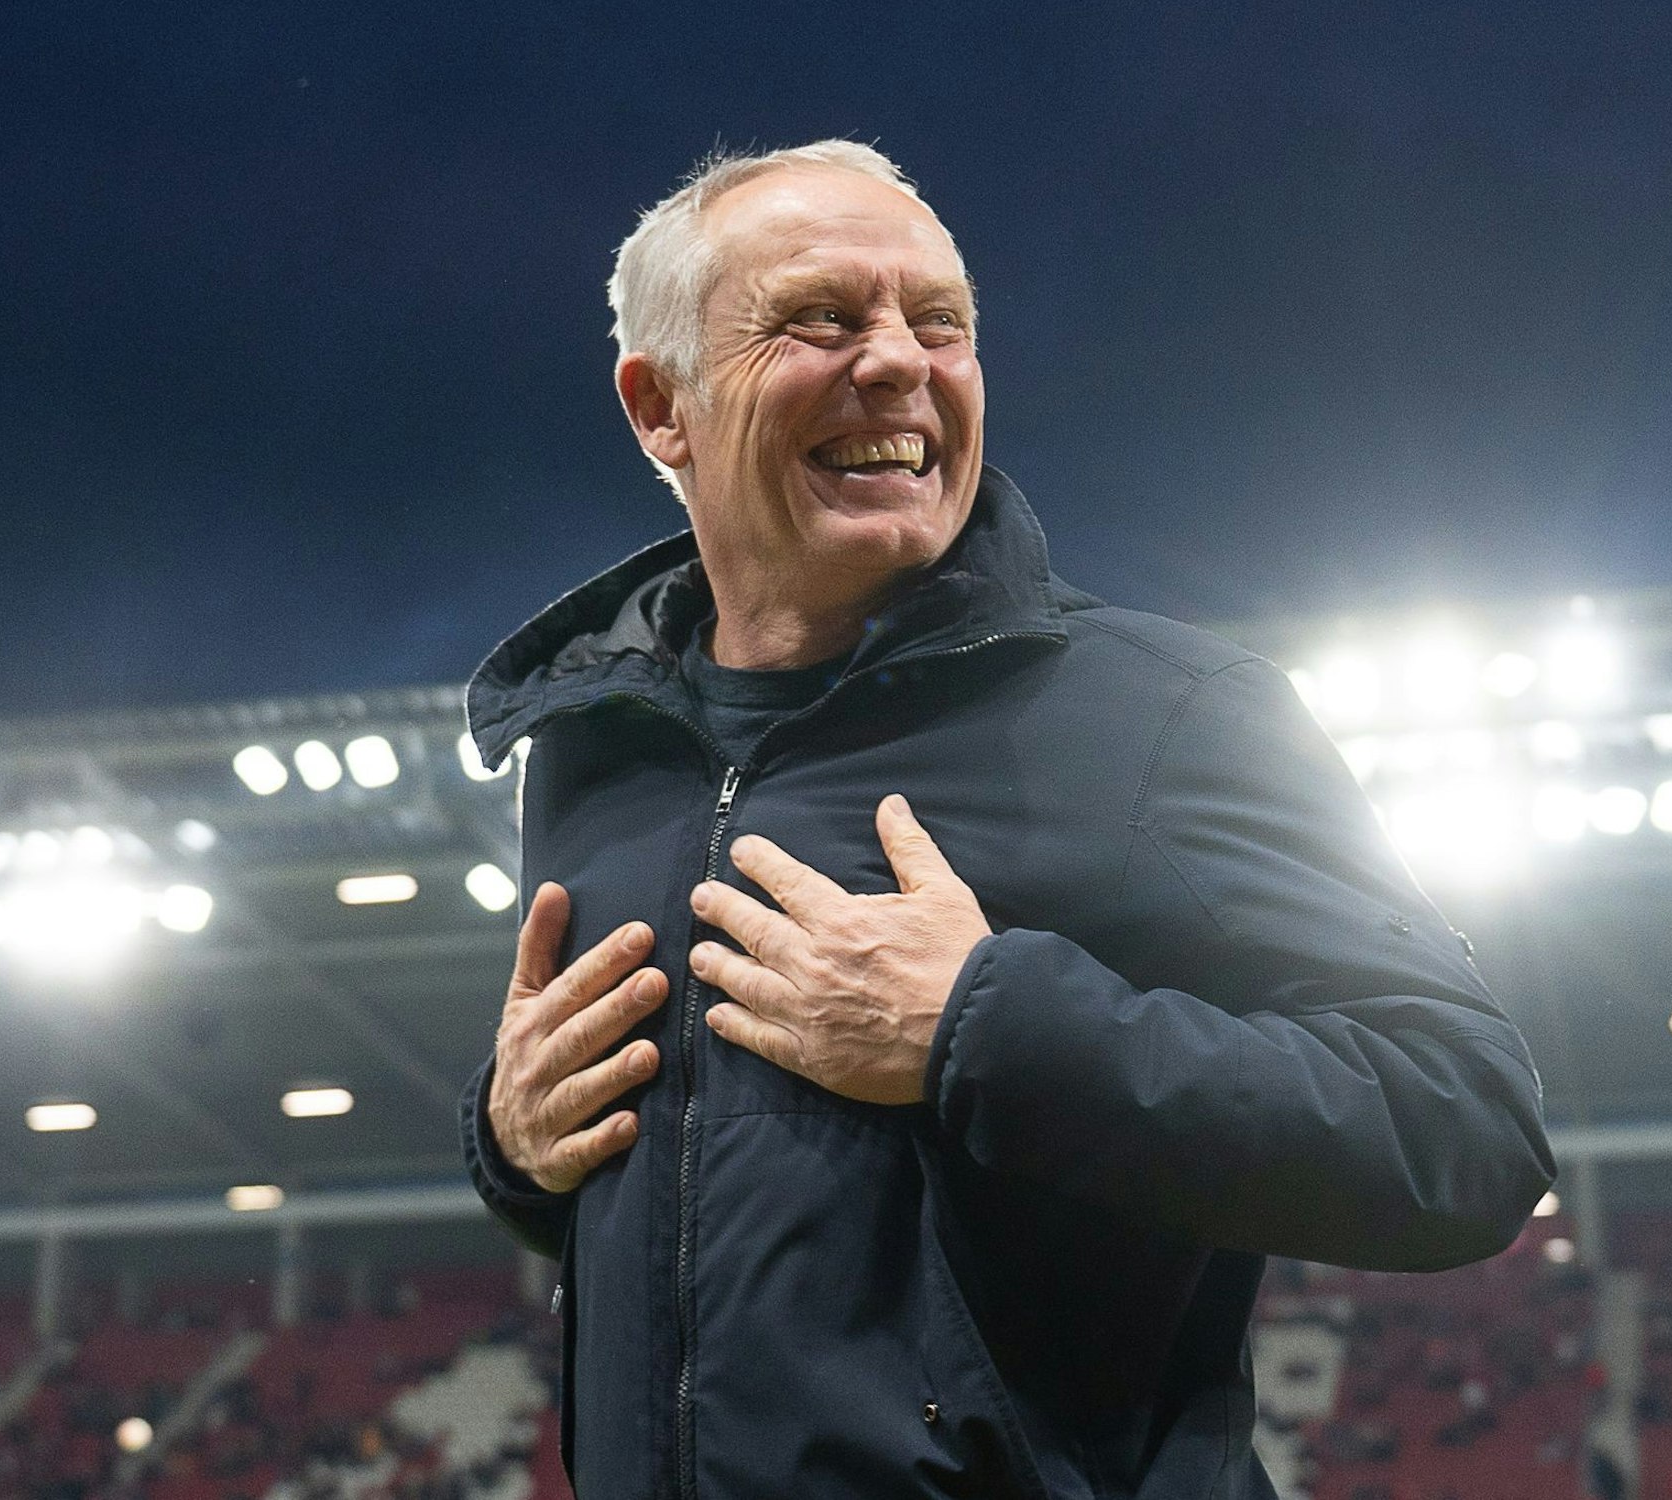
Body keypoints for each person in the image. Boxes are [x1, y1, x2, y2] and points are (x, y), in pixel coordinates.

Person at [458, 139, 1554, 1500]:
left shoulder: (1163, 715)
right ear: (659, 405)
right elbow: (693, 1205)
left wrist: (984, 1026)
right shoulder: (591, 756)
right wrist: (514, 1144)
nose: (898, 362)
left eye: (940, 324)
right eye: (821, 318)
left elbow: (1466, 1132)